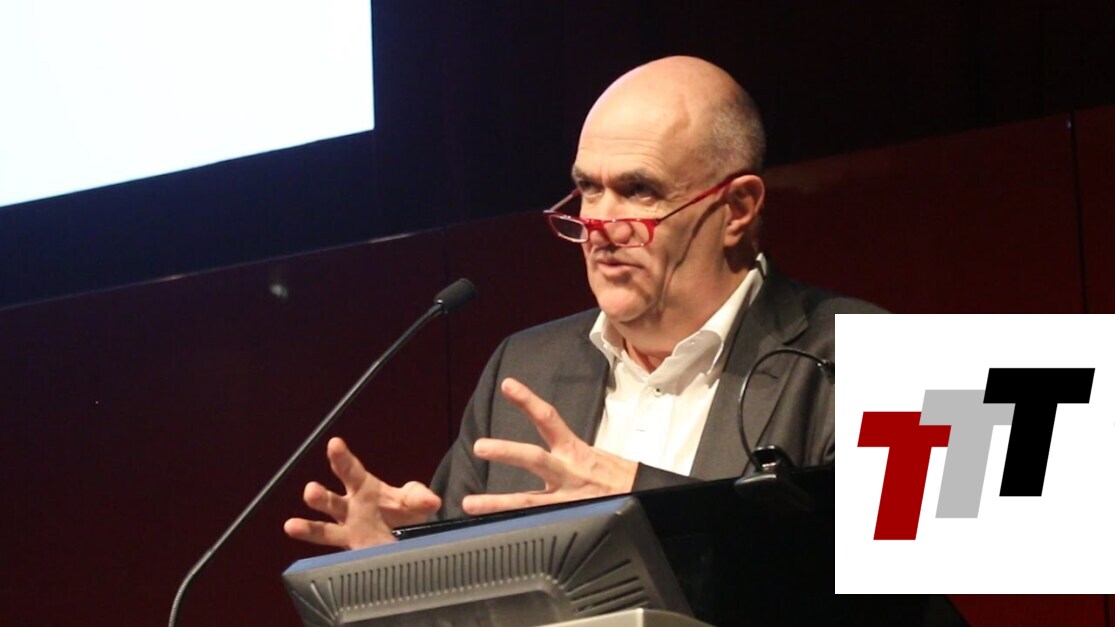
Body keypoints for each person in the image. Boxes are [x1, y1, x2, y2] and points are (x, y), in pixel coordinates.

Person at [283, 55, 884, 551]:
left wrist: (642, 499)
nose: (598, 224)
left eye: (639, 190)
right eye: (589, 189)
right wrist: (402, 564)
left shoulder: (884, 354)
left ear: (737, 209)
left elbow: (912, 592)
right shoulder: (523, 368)